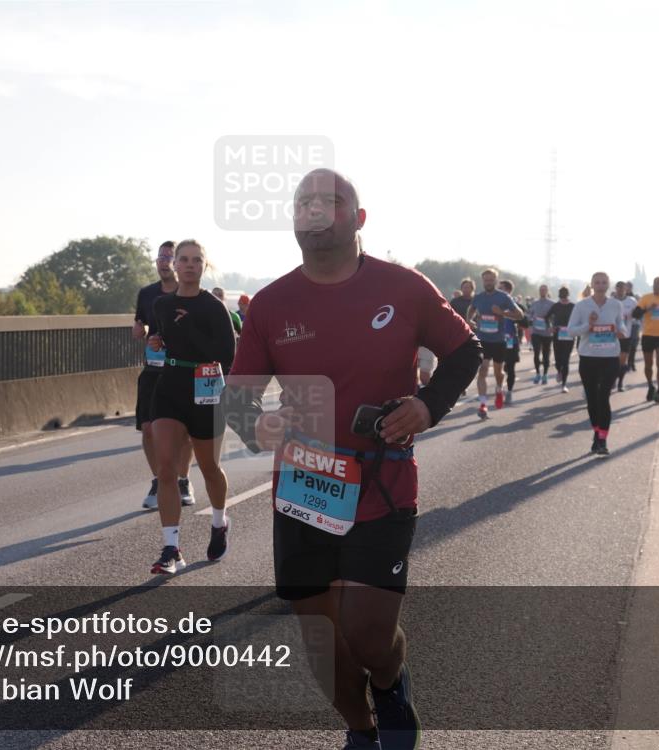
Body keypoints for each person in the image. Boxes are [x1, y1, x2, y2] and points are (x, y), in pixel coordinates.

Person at [225, 169, 481, 750]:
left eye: (330, 202)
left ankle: (390, 684)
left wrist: (427, 404)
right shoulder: (270, 303)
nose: (314, 212)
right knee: (323, 641)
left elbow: (466, 350)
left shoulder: (405, 288)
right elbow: (237, 399)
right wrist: (256, 425)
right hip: (303, 486)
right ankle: (360, 730)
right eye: (303, 203)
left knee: (367, 635)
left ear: (359, 219)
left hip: (382, 481)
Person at [147, 240, 236, 574]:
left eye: (195, 260)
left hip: (206, 391)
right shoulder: (161, 304)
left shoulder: (214, 308)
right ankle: (171, 548)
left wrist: (189, 332)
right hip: (169, 388)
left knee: (209, 467)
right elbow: (163, 335)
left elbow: (228, 355)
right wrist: (156, 340)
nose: (188, 265)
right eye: (182, 259)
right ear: (175, 265)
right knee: (166, 468)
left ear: (203, 266)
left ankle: (219, 521)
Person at [133, 241, 195, 510]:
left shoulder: (188, 295)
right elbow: (141, 323)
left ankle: (182, 480)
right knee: (148, 430)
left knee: (184, 433)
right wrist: (141, 331)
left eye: (169, 257)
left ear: (177, 263)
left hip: (181, 370)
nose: (163, 261)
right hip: (152, 370)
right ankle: (159, 479)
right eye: (160, 256)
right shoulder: (146, 294)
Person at [567, 272, 629, 455]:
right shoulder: (582, 306)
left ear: (608, 285)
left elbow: (622, 325)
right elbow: (571, 331)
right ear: (592, 285)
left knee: (604, 398)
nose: (601, 285)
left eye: (604, 282)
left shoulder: (616, 305)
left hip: (610, 357)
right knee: (592, 400)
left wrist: (621, 332)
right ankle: (596, 433)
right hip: (588, 357)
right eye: (597, 282)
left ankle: (602, 440)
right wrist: (589, 325)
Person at [467, 268, 524, 418]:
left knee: (499, 372)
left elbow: (520, 315)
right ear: (482, 281)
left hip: (499, 341)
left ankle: (499, 389)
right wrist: (469, 320)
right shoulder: (478, 297)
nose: (488, 282)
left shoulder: (504, 297)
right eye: (486, 280)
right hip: (483, 339)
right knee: (483, 370)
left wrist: (502, 313)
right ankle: (483, 405)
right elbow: (471, 309)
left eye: (491, 280)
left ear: (496, 281)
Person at [632, 276, 659, 404]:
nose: (656, 286)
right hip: (648, 335)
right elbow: (635, 314)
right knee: (648, 364)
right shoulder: (646, 298)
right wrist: (648, 309)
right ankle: (651, 385)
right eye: (655, 283)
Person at [497, 279, 526, 404]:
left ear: (508, 290)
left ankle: (509, 391)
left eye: (501, 288)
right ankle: (499, 389)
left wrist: (510, 316)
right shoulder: (494, 304)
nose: (498, 290)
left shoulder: (515, 306)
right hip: (496, 341)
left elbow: (525, 322)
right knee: (498, 368)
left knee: (510, 368)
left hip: (511, 342)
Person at [547, 287, 575, 393]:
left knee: (566, 360)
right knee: (558, 360)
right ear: (559, 296)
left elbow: (578, 319)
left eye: (565, 295)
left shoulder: (573, 306)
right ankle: (559, 370)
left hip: (569, 335)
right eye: (562, 295)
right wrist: (550, 327)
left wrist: (574, 328)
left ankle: (564, 384)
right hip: (557, 335)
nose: (563, 298)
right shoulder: (555, 306)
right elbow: (546, 317)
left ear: (568, 295)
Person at [528, 285, 554, 385]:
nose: (542, 291)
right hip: (536, 332)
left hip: (547, 333)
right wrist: (531, 323)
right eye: (540, 290)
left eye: (544, 290)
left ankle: (545, 374)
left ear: (547, 291)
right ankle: (538, 373)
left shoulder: (552, 304)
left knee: (546, 355)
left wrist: (552, 325)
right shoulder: (534, 303)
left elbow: (556, 317)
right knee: (536, 353)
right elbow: (528, 315)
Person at [613, 281, 637, 392]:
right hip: (612, 335)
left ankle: (620, 383)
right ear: (615, 289)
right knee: (613, 360)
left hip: (626, 334)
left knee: (622, 360)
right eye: (618, 288)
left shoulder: (632, 301)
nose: (620, 290)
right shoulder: (610, 301)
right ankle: (612, 380)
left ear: (626, 289)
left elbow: (638, 315)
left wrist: (634, 317)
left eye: (622, 288)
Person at [625, 281, 641, 371]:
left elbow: (639, 310)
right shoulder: (620, 298)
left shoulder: (635, 298)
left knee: (633, 345)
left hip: (634, 324)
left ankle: (631, 363)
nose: (628, 288)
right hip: (624, 324)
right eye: (626, 286)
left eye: (629, 287)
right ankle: (623, 363)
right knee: (625, 345)